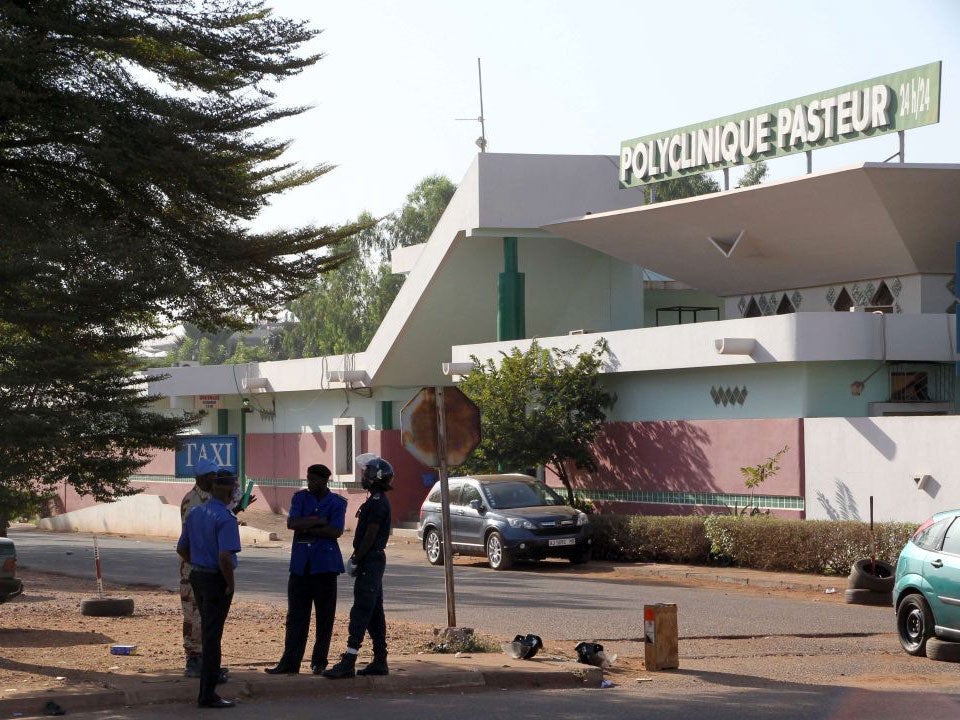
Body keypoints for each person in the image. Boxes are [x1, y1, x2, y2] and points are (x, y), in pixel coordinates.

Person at [265, 464, 347, 675]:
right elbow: (292, 523)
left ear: (325, 481)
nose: (310, 484)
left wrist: (307, 525)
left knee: (324, 617)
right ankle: (290, 662)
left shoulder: (336, 502)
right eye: (308, 479)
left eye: (314, 480)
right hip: (301, 567)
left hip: (325, 567)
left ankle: (319, 661)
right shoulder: (300, 498)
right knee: (296, 617)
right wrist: (318, 521)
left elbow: (335, 530)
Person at [323, 456, 394, 679]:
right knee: (374, 612)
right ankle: (380, 659)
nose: (364, 476)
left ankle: (349, 660)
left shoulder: (376, 502)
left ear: (376, 477)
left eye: (367, 473)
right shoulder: (375, 499)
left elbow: (371, 534)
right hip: (372, 559)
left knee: (362, 609)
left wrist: (356, 557)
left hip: (370, 560)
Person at [177, 470, 242, 709]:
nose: (236, 493)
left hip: (198, 576)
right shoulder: (225, 518)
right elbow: (225, 557)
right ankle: (208, 693)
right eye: (234, 488)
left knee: (207, 631)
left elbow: (181, 548)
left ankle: (207, 690)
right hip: (216, 579)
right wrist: (230, 584)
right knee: (213, 637)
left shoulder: (196, 513)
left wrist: (197, 562)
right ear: (225, 490)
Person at [180, 458, 217, 679]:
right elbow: (190, 539)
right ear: (199, 478)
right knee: (192, 615)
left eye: (215, 474)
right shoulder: (192, 501)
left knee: (208, 615)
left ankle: (209, 660)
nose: (213, 478)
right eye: (209, 475)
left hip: (209, 566)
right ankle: (193, 658)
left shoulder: (213, 498)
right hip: (193, 567)